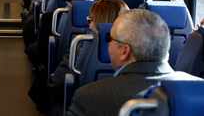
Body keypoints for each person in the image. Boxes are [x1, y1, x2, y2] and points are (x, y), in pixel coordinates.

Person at [66, 9, 202, 116]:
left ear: (124, 51)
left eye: (109, 37)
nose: (106, 42)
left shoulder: (89, 97)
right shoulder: (198, 91)